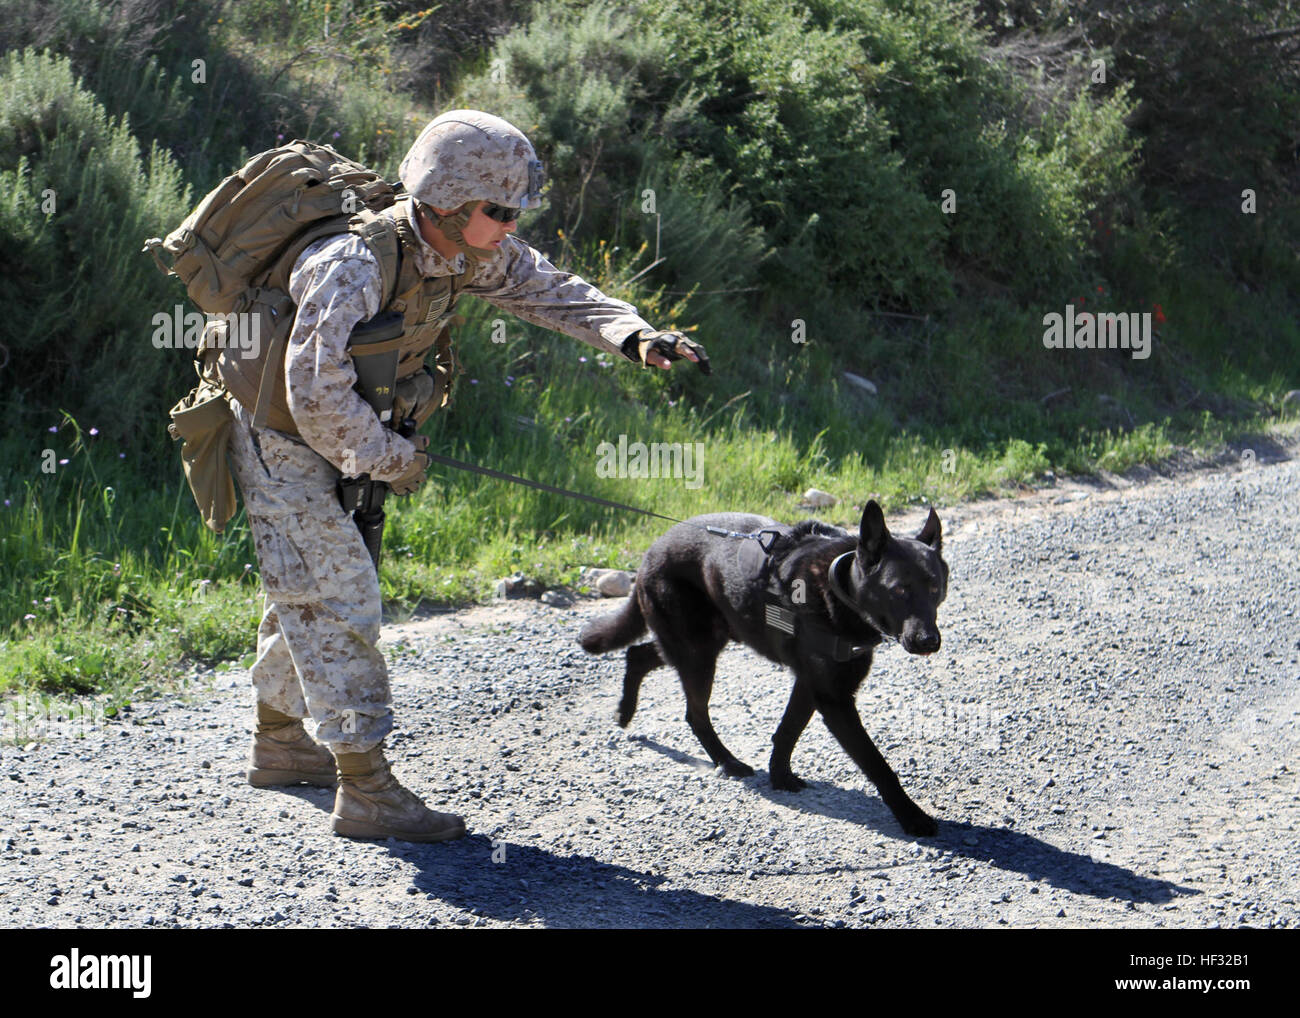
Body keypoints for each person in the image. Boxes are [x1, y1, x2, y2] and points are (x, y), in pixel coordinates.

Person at [232, 109, 710, 842]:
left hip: (348, 438)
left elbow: (554, 291)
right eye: (501, 212)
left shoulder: (466, 252)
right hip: (284, 440)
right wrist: (393, 458)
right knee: (338, 596)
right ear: (449, 204)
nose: (512, 227)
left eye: (516, 211)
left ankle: (282, 745)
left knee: (313, 582)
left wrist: (634, 335)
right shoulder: (351, 263)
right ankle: (365, 791)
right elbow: (314, 391)